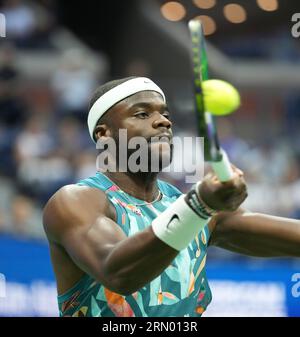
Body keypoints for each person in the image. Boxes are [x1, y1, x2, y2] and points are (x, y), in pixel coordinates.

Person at [43, 77, 300, 317]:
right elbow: (118, 274)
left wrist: (201, 206)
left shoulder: (197, 211)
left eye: (165, 114)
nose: (163, 122)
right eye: (142, 114)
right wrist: (199, 205)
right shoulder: (74, 202)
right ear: (104, 134)